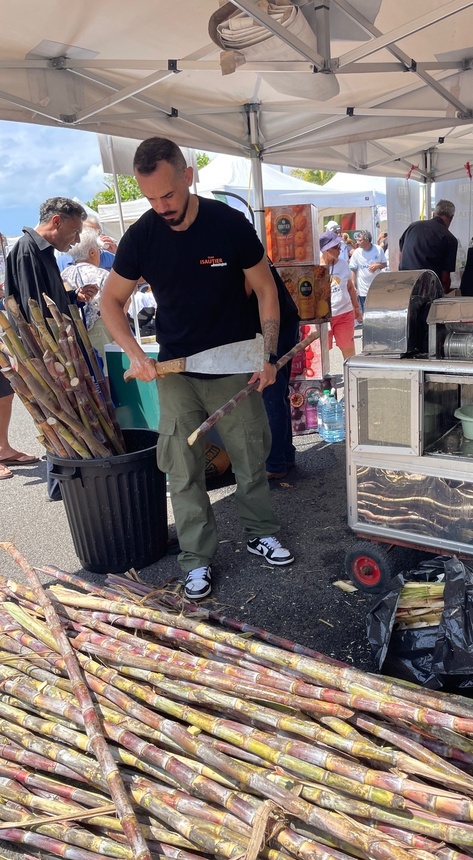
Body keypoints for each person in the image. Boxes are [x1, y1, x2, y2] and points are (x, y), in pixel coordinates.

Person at [100, 136, 294, 601]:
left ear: (187, 175)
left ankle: (260, 533)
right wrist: (136, 354)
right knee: (181, 468)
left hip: (235, 363)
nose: (161, 207)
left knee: (250, 456)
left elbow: (266, 289)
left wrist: (268, 356)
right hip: (177, 372)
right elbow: (110, 301)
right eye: (151, 198)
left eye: (167, 194)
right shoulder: (142, 236)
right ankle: (197, 559)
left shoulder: (228, 223)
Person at [5, 197, 96, 499]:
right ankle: (62, 485)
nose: (77, 239)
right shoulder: (27, 250)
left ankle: (67, 484)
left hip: (55, 349)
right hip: (47, 353)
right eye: (75, 230)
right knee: (59, 415)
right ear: (57, 221)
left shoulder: (41, 251)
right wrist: (52, 355)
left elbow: (47, 301)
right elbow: (34, 314)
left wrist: (73, 298)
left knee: (65, 416)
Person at [261, 265, 300, 481]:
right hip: (282, 323)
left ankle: (275, 462)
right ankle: (284, 455)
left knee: (271, 395)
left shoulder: (241, 252)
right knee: (276, 394)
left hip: (273, 328)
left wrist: (267, 355)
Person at [60, 228, 114, 354]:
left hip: (72, 333)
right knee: (103, 364)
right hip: (99, 328)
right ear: (92, 253)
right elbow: (117, 304)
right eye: (99, 250)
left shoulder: (63, 275)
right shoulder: (102, 274)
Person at [320, 229, 362, 359]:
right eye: (336, 247)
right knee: (321, 354)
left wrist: (356, 308)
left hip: (344, 313)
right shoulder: (316, 266)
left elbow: (350, 288)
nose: (339, 250)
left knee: (349, 352)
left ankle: (350, 372)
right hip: (323, 318)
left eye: (339, 246)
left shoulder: (343, 264)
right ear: (326, 250)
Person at [398, 200, 458, 292]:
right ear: (451, 218)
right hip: (427, 290)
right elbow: (445, 279)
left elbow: (401, 255)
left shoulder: (412, 227)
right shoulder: (449, 238)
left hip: (404, 285)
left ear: (434, 214)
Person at [349, 230, 387, 312]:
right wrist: (353, 285)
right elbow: (353, 269)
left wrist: (378, 265)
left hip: (377, 288)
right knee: (365, 312)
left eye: (360, 240)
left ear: (366, 240)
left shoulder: (378, 249)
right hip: (363, 289)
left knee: (377, 311)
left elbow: (384, 264)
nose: (357, 242)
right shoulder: (357, 252)